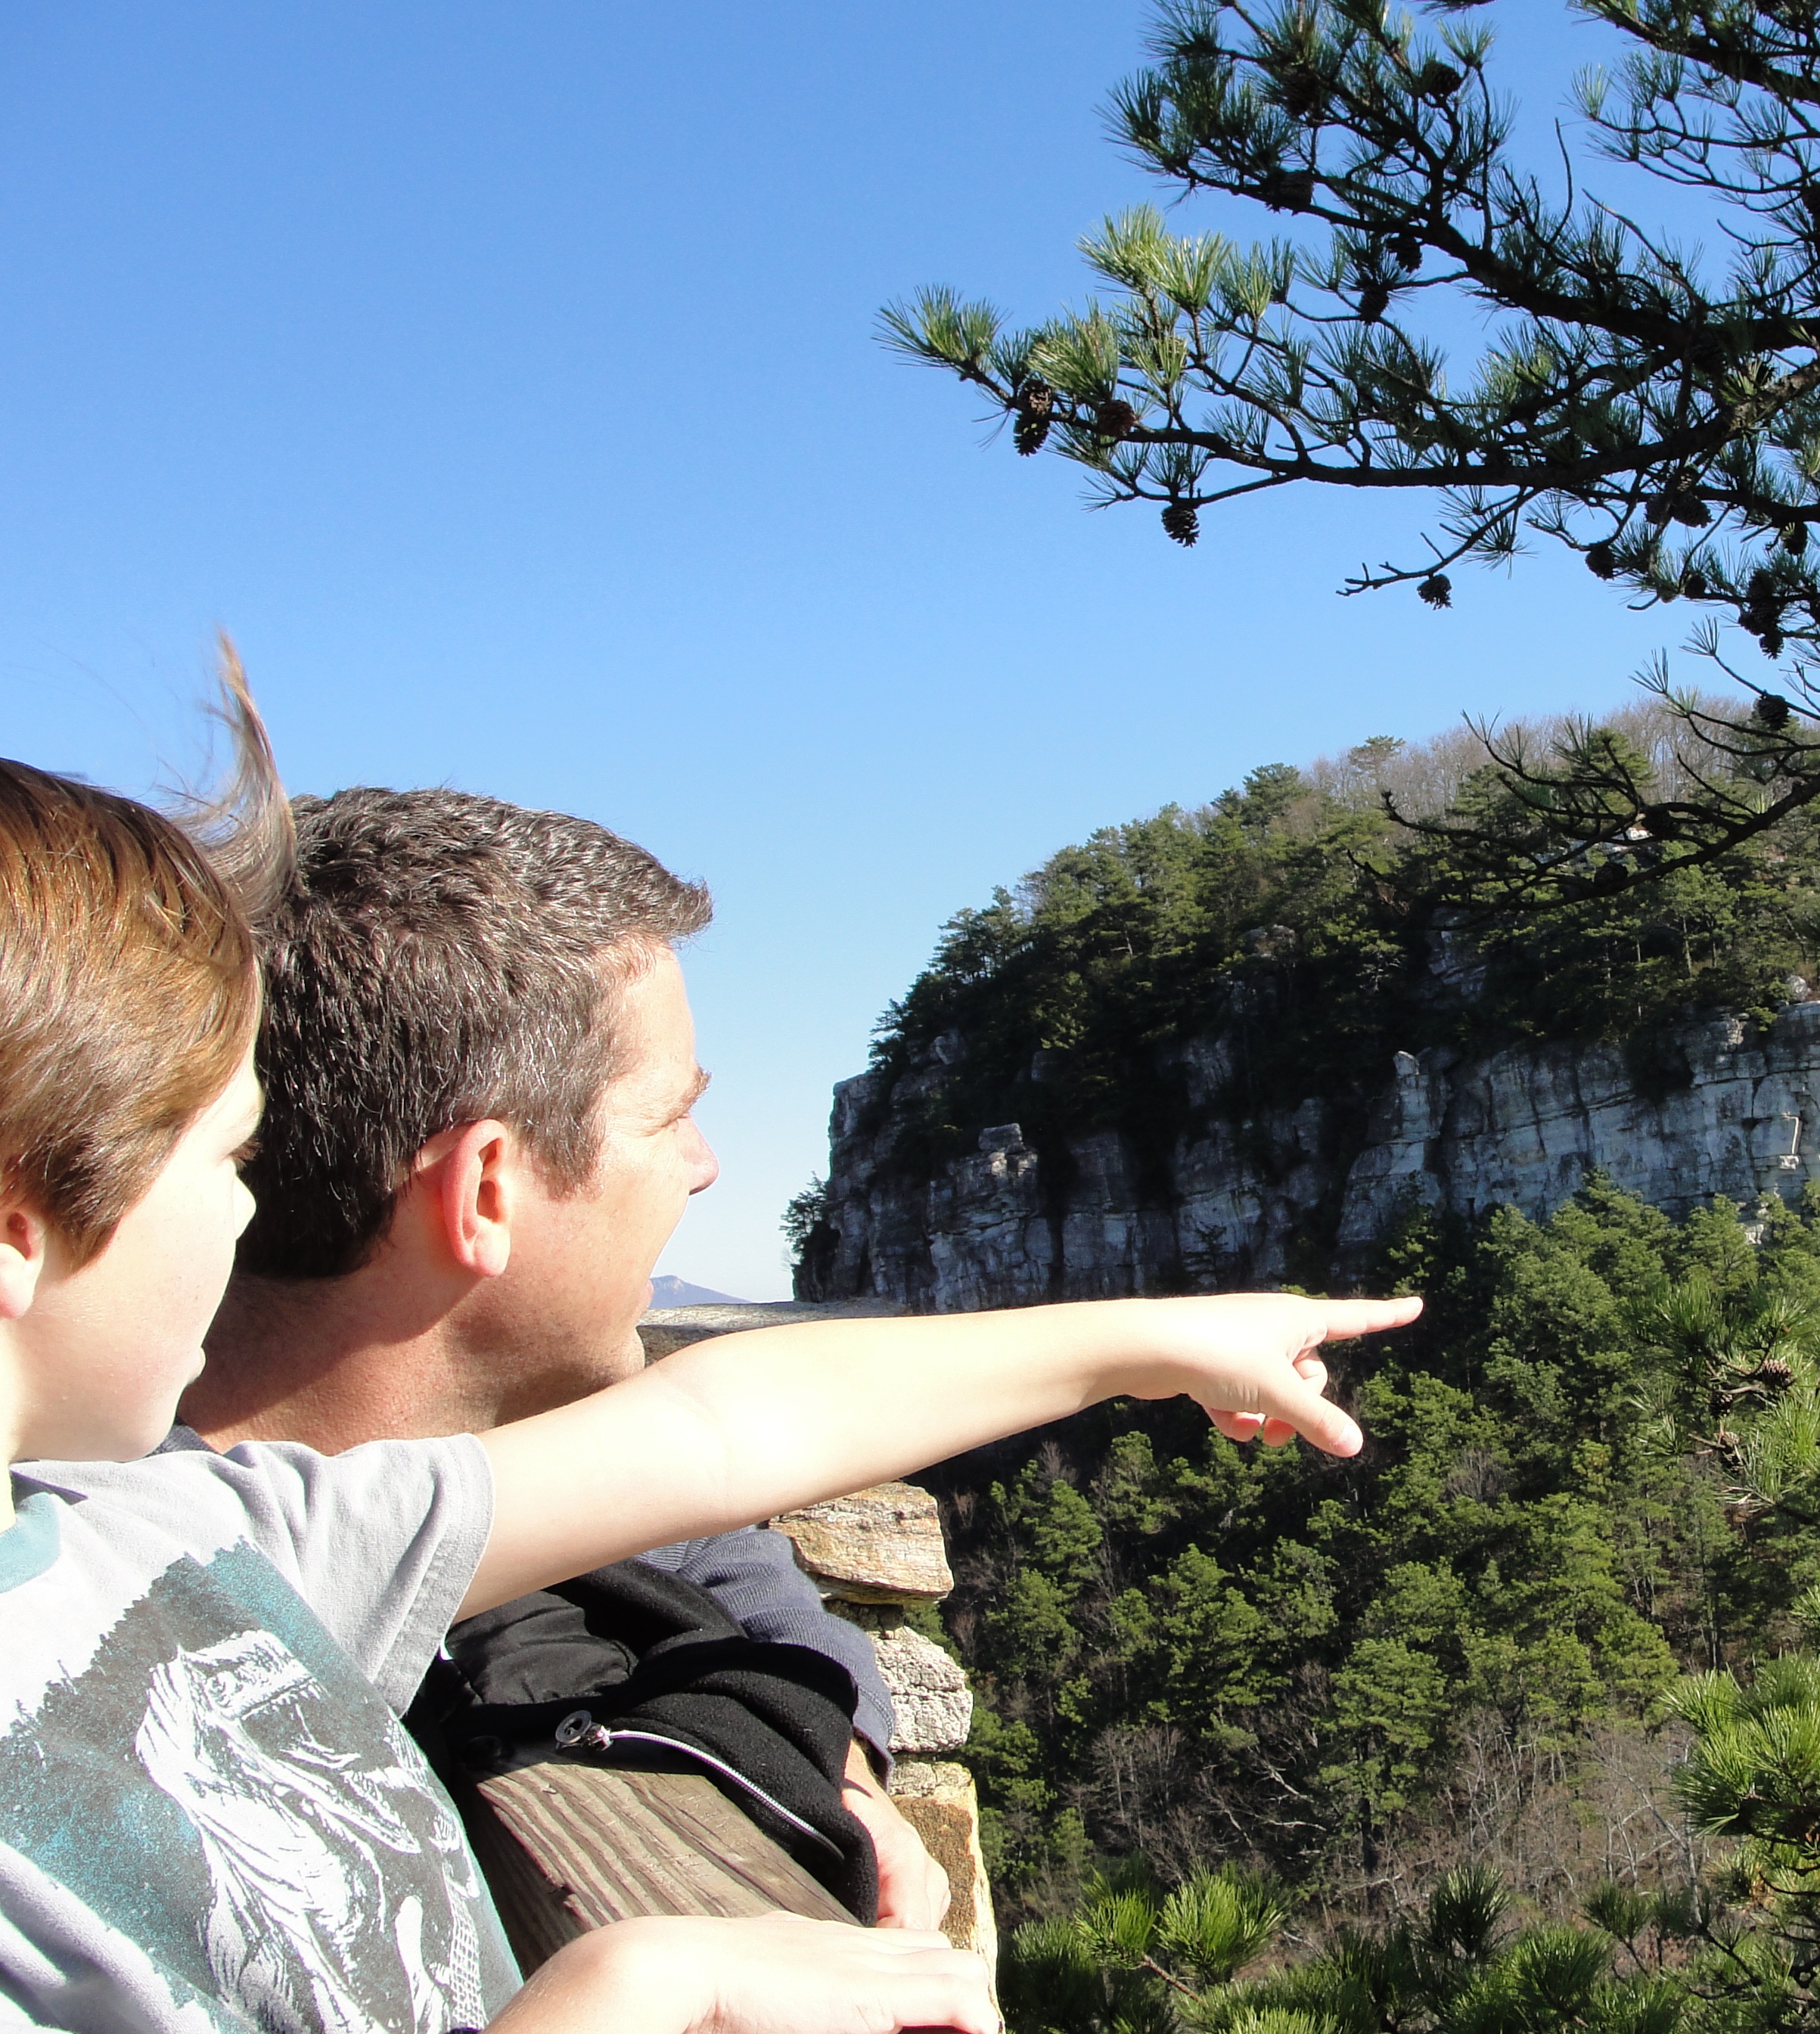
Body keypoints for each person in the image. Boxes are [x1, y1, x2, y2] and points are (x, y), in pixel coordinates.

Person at [0, 661, 1416, 2032]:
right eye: (224, 1159)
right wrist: (635, 1991)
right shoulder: (189, 1552)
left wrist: (1154, 1337)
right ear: (485, 1189)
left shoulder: (189, 1542)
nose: (708, 1165)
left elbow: (723, 1431)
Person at [177, 784, 938, 1927]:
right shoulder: (165, 1599)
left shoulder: (480, 1437)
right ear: (484, 1189)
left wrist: (840, 1769)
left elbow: (722, 1550)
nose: (706, 1165)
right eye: (669, 1114)